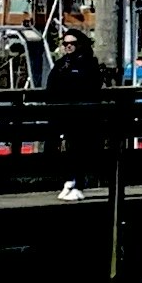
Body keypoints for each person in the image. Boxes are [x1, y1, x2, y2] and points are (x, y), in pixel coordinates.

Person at [47, 28, 102, 198]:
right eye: (65, 44)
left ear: (80, 44)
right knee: (56, 148)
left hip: (82, 116)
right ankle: (69, 179)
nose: (68, 46)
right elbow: (51, 87)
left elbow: (91, 87)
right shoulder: (60, 64)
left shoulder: (89, 64)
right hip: (62, 114)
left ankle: (78, 183)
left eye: (72, 43)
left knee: (79, 145)